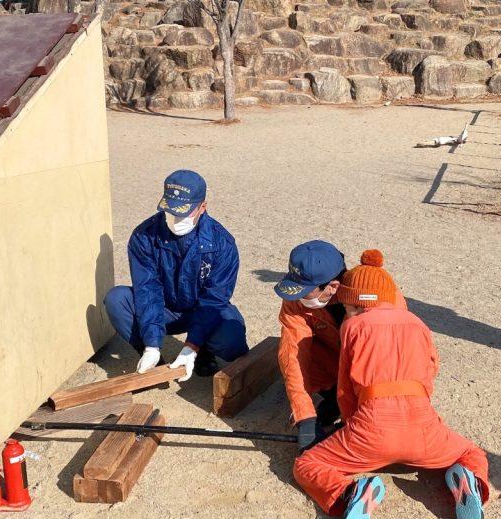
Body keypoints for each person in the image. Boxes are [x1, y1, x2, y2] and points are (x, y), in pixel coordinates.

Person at [293, 250, 489, 519]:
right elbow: (431, 370)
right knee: (472, 453)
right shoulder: (418, 323)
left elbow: (345, 387)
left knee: (307, 464)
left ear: (357, 303)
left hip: (371, 429)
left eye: (347, 307)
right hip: (423, 427)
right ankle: (468, 478)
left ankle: (350, 492)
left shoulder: (353, 326)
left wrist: (349, 424)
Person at [103, 169, 249, 381]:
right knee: (117, 300)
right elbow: (148, 289)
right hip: (165, 309)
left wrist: (192, 346)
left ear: (202, 207)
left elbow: (215, 299)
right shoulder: (144, 236)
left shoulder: (222, 244)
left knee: (232, 342)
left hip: (203, 309)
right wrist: (151, 345)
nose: (175, 218)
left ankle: (203, 351)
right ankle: (152, 360)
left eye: (184, 212)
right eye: (170, 211)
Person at [273, 240, 349, 452]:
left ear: (332, 287)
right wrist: (304, 415)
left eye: (304, 291)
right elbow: (293, 353)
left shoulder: (370, 296)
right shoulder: (295, 299)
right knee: (296, 353)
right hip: (335, 359)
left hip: (372, 369)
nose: (297, 297)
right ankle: (334, 399)